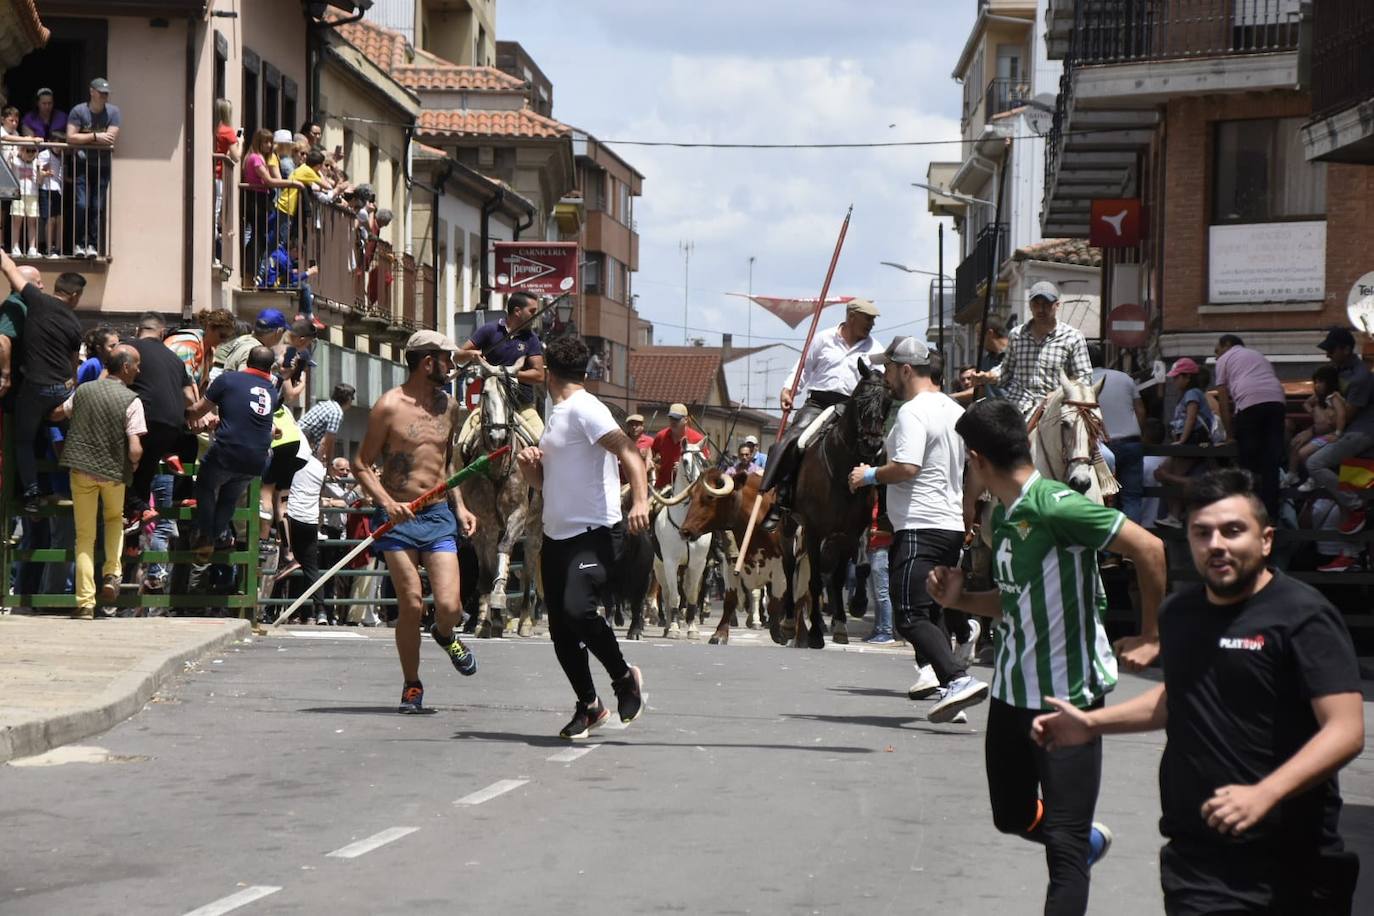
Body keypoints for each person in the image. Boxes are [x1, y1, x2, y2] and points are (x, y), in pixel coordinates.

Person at [1031, 469, 1364, 915]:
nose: (1217, 545)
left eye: (1232, 531)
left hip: (1293, 864)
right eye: (1202, 533)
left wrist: (1265, 792)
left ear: (1265, 540)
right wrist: (1092, 723)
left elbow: (1345, 729)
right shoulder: (1180, 614)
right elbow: (1179, 698)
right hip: (1197, 859)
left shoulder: (1303, 616)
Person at [926, 398, 1167, 915]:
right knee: (1010, 816)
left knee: (1064, 848)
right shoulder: (1006, 518)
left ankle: (1077, 843)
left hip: (1070, 696)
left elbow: (1150, 548)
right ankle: (1083, 842)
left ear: (975, 459)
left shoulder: (1057, 505)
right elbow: (1014, 599)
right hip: (1012, 692)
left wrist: (1151, 635)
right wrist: (960, 600)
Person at [515, 334, 649, 739]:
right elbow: (547, 483)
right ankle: (589, 706)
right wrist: (528, 469)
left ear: (546, 373)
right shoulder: (556, 414)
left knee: (578, 610)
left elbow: (629, 451)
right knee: (560, 630)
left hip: (595, 532)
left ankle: (624, 678)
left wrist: (640, 501)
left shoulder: (585, 409)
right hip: (557, 535)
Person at [849, 337, 988, 721]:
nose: (886, 377)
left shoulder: (912, 412)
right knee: (935, 611)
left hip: (919, 526)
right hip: (947, 526)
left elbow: (907, 467)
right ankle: (950, 690)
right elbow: (972, 469)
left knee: (908, 613)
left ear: (906, 369)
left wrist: (869, 475)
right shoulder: (953, 409)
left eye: (890, 369)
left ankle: (958, 680)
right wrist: (967, 512)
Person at [352, 331, 480, 713]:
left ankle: (445, 634)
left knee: (450, 606)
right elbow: (360, 464)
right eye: (446, 359)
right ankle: (412, 684)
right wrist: (388, 503)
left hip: (438, 513)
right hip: (398, 518)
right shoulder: (388, 406)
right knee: (410, 604)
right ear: (428, 362)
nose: (451, 365)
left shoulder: (450, 407)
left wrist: (461, 506)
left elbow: (447, 464)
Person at [760, 298, 883, 528]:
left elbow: (882, 381)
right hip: (819, 402)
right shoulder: (823, 339)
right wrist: (789, 390)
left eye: (873, 320)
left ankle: (879, 510)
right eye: (867, 318)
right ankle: (781, 498)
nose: (871, 324)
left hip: (852, 409)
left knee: (878, 449)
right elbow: (802, 368)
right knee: (793, 440)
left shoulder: (876, 349)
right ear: (852, 316)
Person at [56, 344, 144, 619]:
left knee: (84, 537)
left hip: (81, 470)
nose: (139, 370)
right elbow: (135, 447)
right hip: (114, 474)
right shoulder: (132, 400)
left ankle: (84, 603)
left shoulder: (83, 390)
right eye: (137, 365)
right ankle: (111, 574)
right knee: (114, 521)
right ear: (126, 367)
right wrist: (135, 463)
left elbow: (60, 412)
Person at [0, 252, 84, 513]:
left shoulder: (36, 301)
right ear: (75, 296)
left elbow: (9, 267)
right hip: (62, 389)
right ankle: (83, 487)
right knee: (74, 437)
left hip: (34, 388)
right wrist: (71, 388)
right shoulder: (74, 323)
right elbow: (73, 364)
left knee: (23, 441)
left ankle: (32, 494)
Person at [186, 345, 280, 559]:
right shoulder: (272, 391)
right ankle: (215, 537)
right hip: (257, 458)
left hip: (228, 450)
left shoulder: (228, 380)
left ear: (247, 362)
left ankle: (207, 537)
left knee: (205, 486)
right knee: (229, 498)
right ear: (270, 367)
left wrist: (183, 415)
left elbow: (199, 410)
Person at [977, 282, 1092, 417]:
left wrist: (1059, 394)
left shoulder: (1073, 337)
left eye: (1046, 304)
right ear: (1030, 305)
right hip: (1018, 408)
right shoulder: (1017, 334)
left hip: (1055, 411)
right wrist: (989, 376)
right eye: (1036, 304)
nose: (1041, 309)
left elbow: (1084, 378)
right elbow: (1006, 371)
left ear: (1057, 305)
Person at [454, 291, 546, 454]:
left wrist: (506, 373)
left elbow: (539, 375)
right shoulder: (489, 330)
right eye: (532, 311)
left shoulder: (531, 338)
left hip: (521, 405)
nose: (535, 315)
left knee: (544, 445)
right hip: (488, 405)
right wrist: (471, 354)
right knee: (462, 444)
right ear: (518, 311)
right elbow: (458, 357)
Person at [124, 312, 194, 520]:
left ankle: (130, 529)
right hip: (172, 426)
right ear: (162, 333)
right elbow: (189, 397)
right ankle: (136, 532)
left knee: (126, 474)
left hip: (143, 419)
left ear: (138, 330)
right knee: (144, 475)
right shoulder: (174, 358)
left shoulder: (129, 347)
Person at [1306, 327, 1374, 543]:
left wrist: (1322, 417)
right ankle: (1347, 553)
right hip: (1347, 432)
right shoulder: (1338, 370)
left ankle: (1357, 507)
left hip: (1361, 432)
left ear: (1345, 349)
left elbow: (1345, 417)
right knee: (1338, 482)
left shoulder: (1362, 377)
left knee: (1314, 463)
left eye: (1331, 350)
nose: (1327, 354)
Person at [1213, 334, 1286, 517]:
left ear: (1227, 345)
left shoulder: (1225, 359)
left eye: (1217, 350)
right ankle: (1271, 516)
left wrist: (1230, 434)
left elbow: (1223, 399)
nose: (1216, 355)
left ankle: (1250, 513)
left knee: (1247, 459)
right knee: (1271, 462)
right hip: (1277, 401)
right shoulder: (1258, 356)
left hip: (1250, 404)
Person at [1154, 357, 1217, 529]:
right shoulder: (1190, 394)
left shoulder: (1192, 394)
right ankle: (1174, 514)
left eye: (1177, 377)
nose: (1174, 381)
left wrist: (1182, 440)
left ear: (1187, 377)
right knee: (1164, 473)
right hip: (1189, 440)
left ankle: (1175, 515)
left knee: (1168, 475)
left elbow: (1191, 416)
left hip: (1193, 440)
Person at [1088, 343, 1146, 524]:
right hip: (1131, 443)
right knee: (1132, 498)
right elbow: (1140, 411)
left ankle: (1107, 550)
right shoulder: (1125, 378)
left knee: (1104, 498)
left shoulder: (1082, 383)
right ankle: (1131, 548)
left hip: (1101, 448)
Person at [66, 77, 122, 258]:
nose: (104, 96)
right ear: (92, 92)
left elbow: (111, 138)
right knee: (82, 204)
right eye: (101, 93)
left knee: (97, 206)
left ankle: (92, 244)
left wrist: (87, 137)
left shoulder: (113, 112)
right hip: (82, 164)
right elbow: (71, 138)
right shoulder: (79, 111)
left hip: (102, 166)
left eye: (106, 93)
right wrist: (97, 136)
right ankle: (78, 244)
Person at [283, 452, 331, 626]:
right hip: (310, 519)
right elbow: (321, 491)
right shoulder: (318, 466)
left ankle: (292, 612)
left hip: (291, 516)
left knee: (291, 564)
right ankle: (320, 611)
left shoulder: (293, 460)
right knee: (311, 568)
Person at [1289, 365, 1345, 489]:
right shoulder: (1320, 397)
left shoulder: (1334, 397)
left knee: (1303, 453)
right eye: (1316, 382)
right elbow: (1307, 403)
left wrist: (1338, 433)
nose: (1317, 385)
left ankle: (1314, 478)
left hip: (1329, 435)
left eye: (1321, 382)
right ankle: (1292, 474)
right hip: (1320, 433)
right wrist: (1313, 410)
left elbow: (1341, 414)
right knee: (1295, 444)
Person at [165, 308, 236, 398]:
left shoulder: (209, 353)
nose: (223, 341)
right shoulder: (189, 343)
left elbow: (203, 387)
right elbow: (185, 384)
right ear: (210, 328)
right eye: (222, 336)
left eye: (227, 337)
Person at [649, 402, 706, 489]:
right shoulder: (661, 436)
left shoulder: (697, 439)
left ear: (686, 420)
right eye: (671, 418)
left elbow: (704, 465)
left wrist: (684, 468)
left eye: (677, 419)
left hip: (688, 489)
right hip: (662, 487)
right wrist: (650, 461)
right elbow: (652, 452)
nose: (673, 422)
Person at [213, 99, 239, 263]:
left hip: (212, 175)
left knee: (214, 214)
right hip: (220, 177)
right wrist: (240, 142)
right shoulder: (228, 131)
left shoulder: (214, 130)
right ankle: (215, 255)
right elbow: (236, 156)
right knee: (216, 215)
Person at [299, 383, 355, 460]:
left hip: (297, 439)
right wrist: (319, 462)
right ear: (348, 399)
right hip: (302, 446)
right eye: (352, 398)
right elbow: (325, 442)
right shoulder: (336, 412)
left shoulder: (326, 404)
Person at [9, 142, 39, 258]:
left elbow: (38, 180)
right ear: (22, 150)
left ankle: (32, 247)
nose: (31, 153)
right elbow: (9, 164)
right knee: (17, 221)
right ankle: (15, 246)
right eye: (28, 150)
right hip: (18, 194)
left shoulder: (36, 162)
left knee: (32, 222)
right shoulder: (16, 161)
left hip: (33, 194)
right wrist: (15, 153)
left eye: (33, 151)